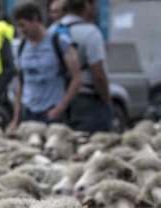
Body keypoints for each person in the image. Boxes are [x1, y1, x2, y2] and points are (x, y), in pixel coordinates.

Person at [9, 2, 82, 129]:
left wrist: (61, 108)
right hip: (29, 111)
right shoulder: (22, 46)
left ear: (35, 20)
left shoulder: (59, 41)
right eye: (18, 26)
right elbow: (20, 83)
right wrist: (16, 118)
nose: (21, 30)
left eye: (23, 25)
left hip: (51, 112)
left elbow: (77, 78)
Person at [50, 0, 112, 133]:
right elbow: (98, 74)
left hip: (57, 101)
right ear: (86, 6)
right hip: (86, 101)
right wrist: (106, 101)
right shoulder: (91, 32)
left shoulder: (52, 31)